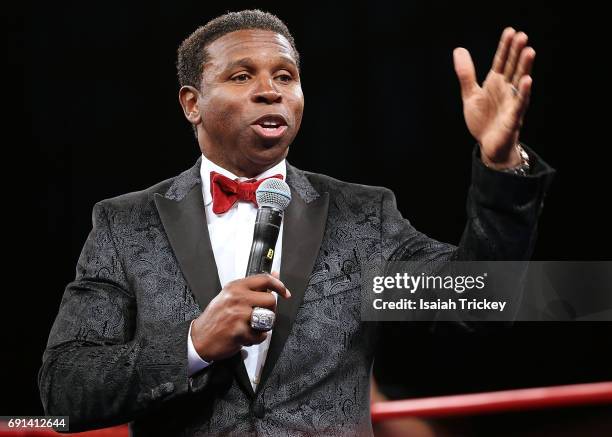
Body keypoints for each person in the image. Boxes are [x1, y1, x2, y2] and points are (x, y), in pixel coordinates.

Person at [38, 9, 555, 437]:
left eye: (285, 76)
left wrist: (501, 167)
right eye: (242, 76)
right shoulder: (127, 225)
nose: (270, 90)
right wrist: (192, 345)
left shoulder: (361, 218)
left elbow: (476, 303)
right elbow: (65, 390)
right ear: (192, 103)